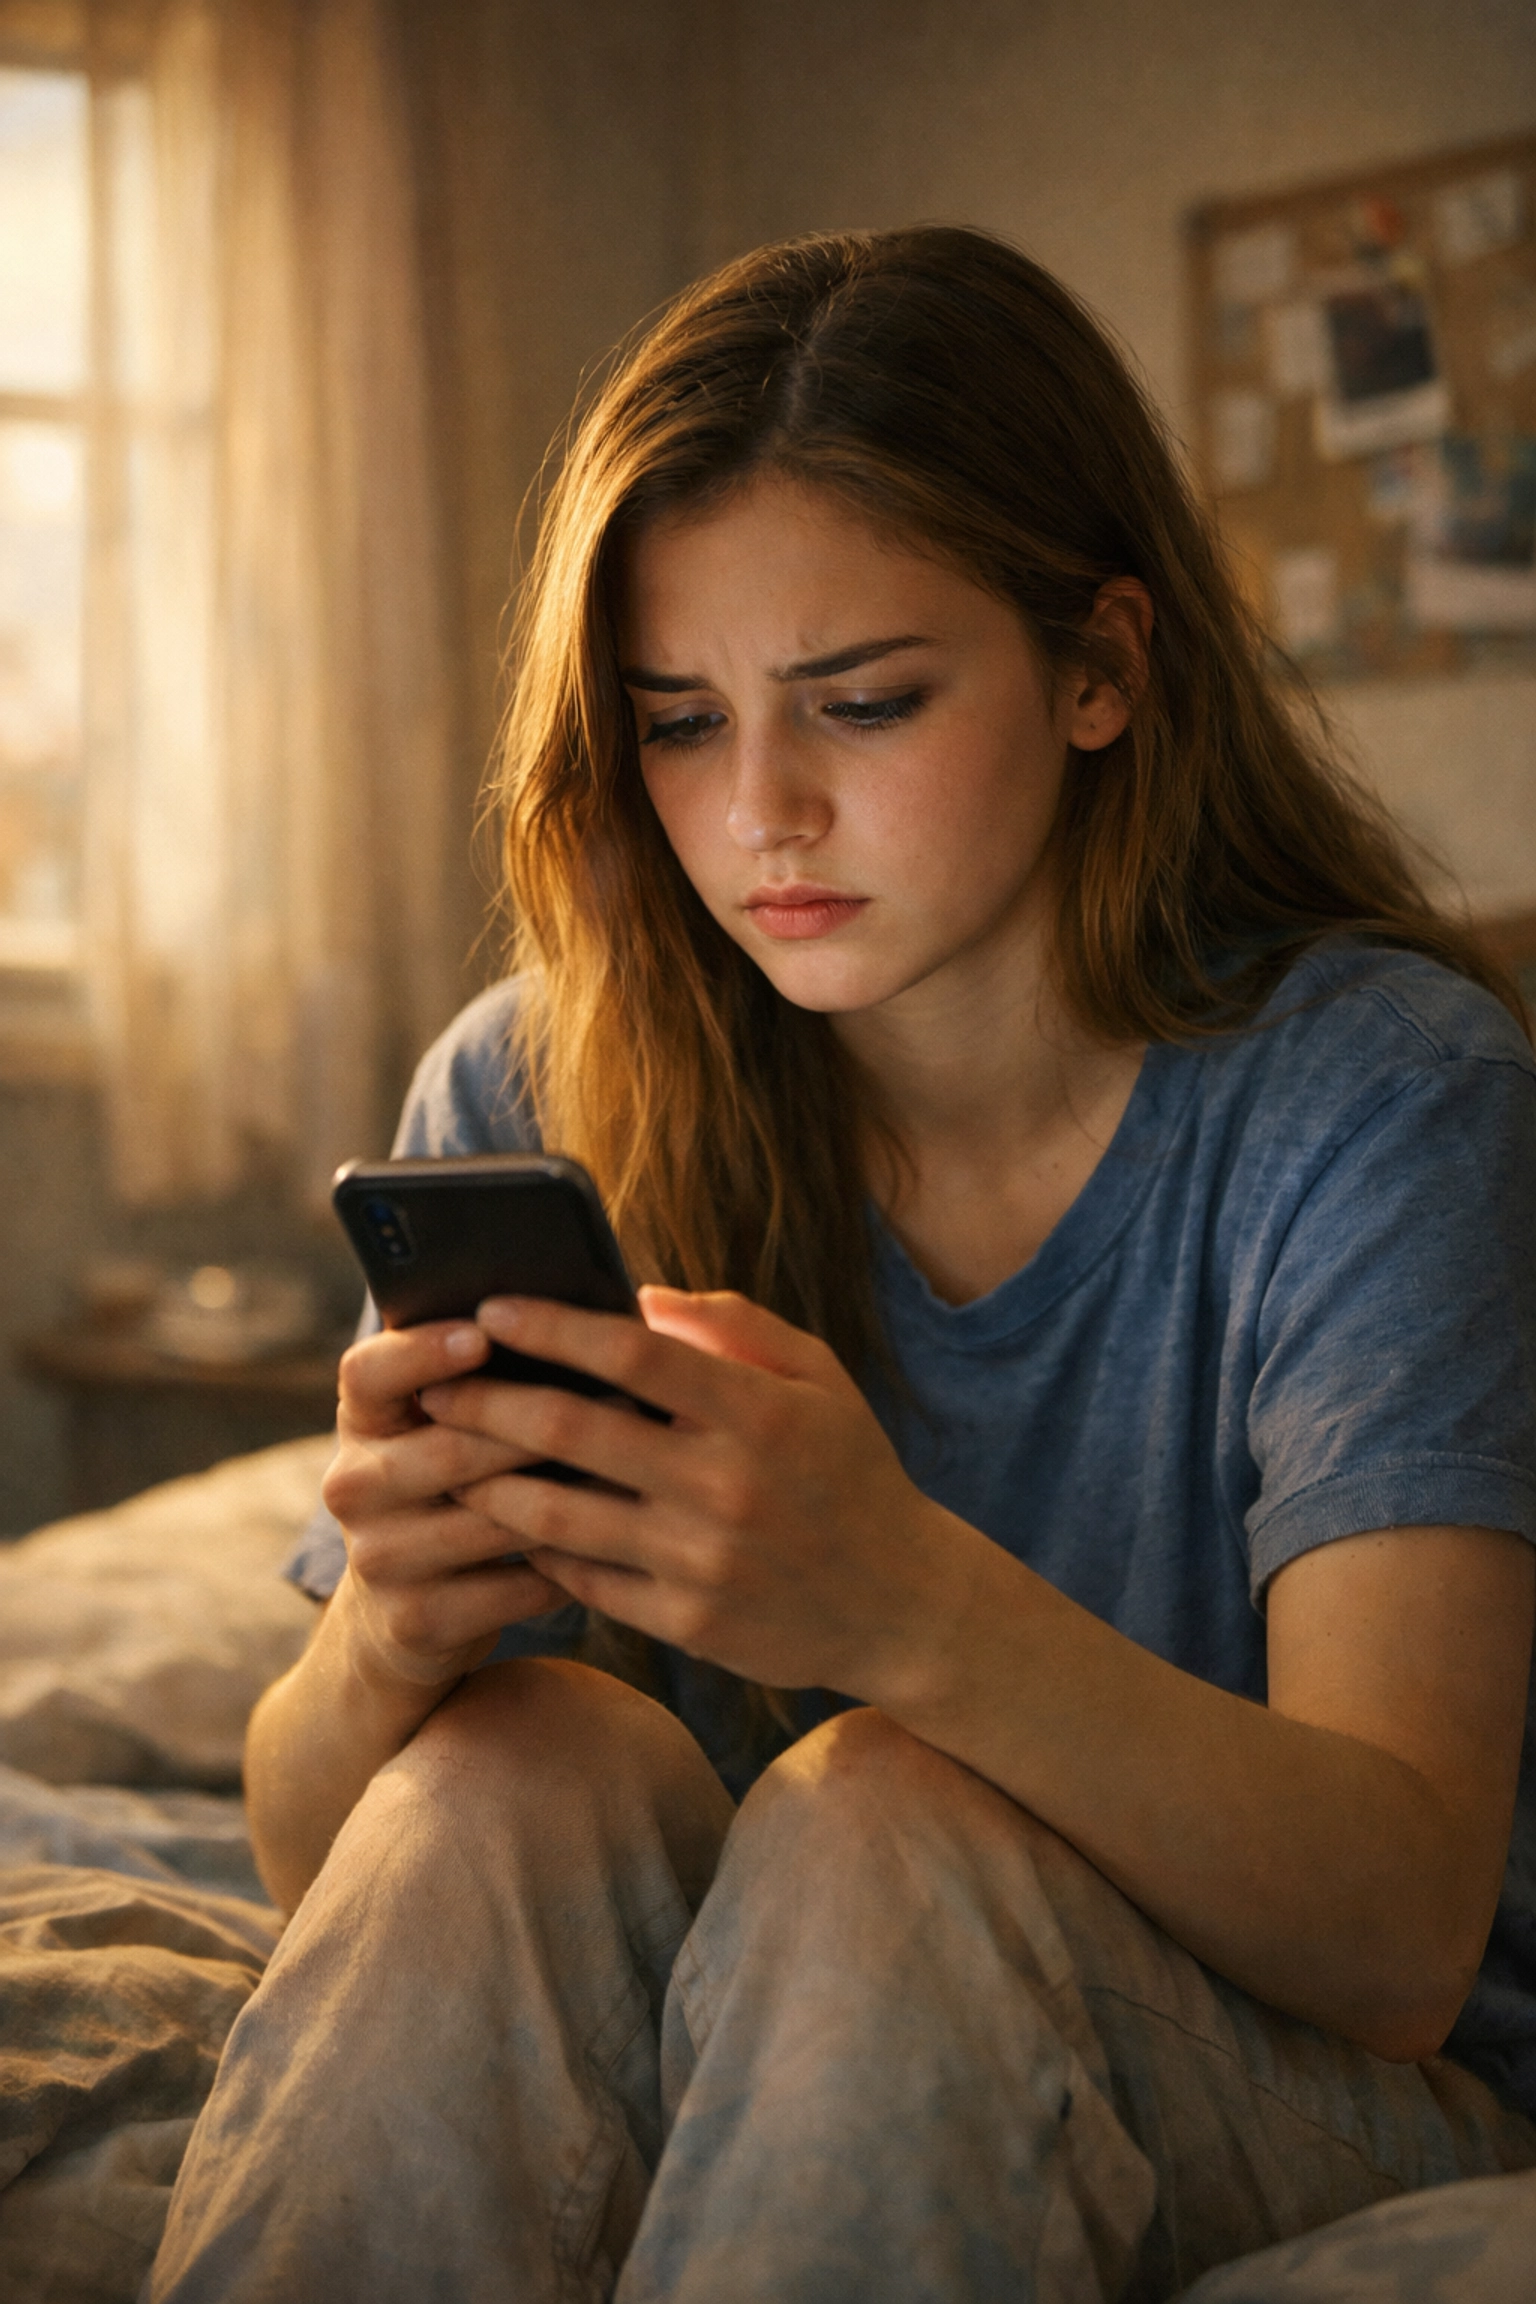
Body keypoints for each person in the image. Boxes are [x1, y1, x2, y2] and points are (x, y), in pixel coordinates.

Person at [148, 226, 1536, 2304]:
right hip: (765, 1983)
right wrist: (389, 1645)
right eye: (681, 725)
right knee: (520, 1765)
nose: (764, 814)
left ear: (1103, 670)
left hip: (1311, 2057)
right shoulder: (537, 1078)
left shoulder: (1379, 1097)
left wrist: (893, 1600)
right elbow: (310, 1855)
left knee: (888, 1807)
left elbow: (1408, 1934)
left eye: (862, 703)